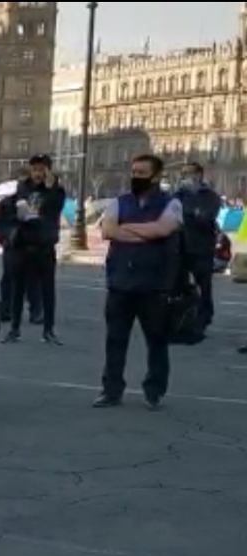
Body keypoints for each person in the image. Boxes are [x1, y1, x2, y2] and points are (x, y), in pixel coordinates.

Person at [94, 154, 183, 410]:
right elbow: (108, 230)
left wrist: (127, 229)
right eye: (134, 172)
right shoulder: (119, 202)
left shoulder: (171, 203)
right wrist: (147, 233)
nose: (136, 177)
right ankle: (111, 390)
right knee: (115, 340)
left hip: (154, 285)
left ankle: (154, 391)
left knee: (156, 341)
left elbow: (163, 229)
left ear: (156, 176)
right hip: (120, 283)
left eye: (142, 173)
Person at [0, 154, 65, 345]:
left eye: (41, 170)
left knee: (48, 290)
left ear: (48, 171)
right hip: (24, 245)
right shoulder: (23, 187)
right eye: (34, 169)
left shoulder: (57, 190)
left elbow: (54, 208)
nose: (37, 174)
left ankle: (48, 331)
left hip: (44, 247)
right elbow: (18, 207)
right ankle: (14, 330)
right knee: (18, 289)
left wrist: (51, 188)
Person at [176, 162, 222, 329]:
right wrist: (193, 212)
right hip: (180, 247)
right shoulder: (178, 195)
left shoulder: (210, 196)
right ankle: (183, 314)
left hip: (202, 248)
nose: (185, 177)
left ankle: (205, 315)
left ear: (199, 175)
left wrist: (190, 211)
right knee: (179, 283)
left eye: (189, 173)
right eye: (183, 174)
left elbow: (206, 217)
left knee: (204, 284)